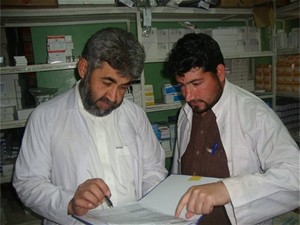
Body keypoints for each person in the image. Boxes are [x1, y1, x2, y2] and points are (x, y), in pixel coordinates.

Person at [13, 27, 168, 225]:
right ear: (84, 69)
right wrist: (69, 204)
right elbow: (28, 183)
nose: (114, 97)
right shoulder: (45, 117)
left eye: (123, 86)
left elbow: (153, 169)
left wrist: (149, 207)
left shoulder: (135, 115)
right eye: (107, 82)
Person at [167, 32, 299, 225]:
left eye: (196, 83)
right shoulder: (186, 113)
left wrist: (227, 190)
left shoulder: (254, 114)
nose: (188, 96)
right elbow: (177, 174)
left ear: (220, 73)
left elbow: (295, 176)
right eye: (182, 86)